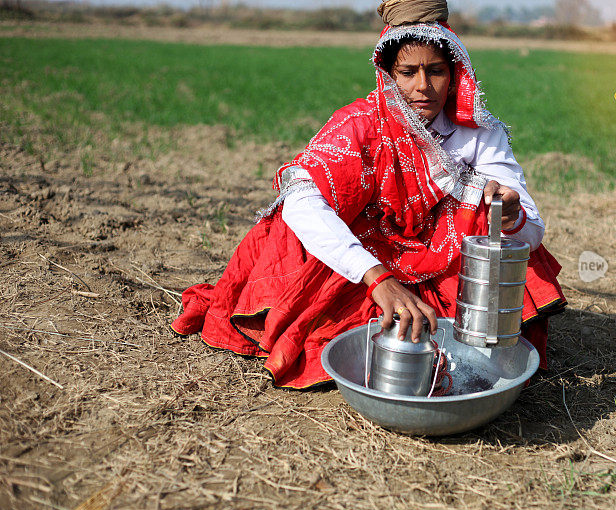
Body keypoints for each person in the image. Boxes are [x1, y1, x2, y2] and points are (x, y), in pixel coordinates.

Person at [171, 0, 566, 389]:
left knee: (506, 259)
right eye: (407, 72)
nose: (422, 87)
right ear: (388, 74)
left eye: (436, 72)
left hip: (442, 262)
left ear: (455, 73)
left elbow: (532, 233)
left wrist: (510, 217)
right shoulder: (362, 124)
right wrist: (377, 278)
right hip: (367, 257)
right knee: (298, 242)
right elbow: (299, 200)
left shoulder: (481, 132)